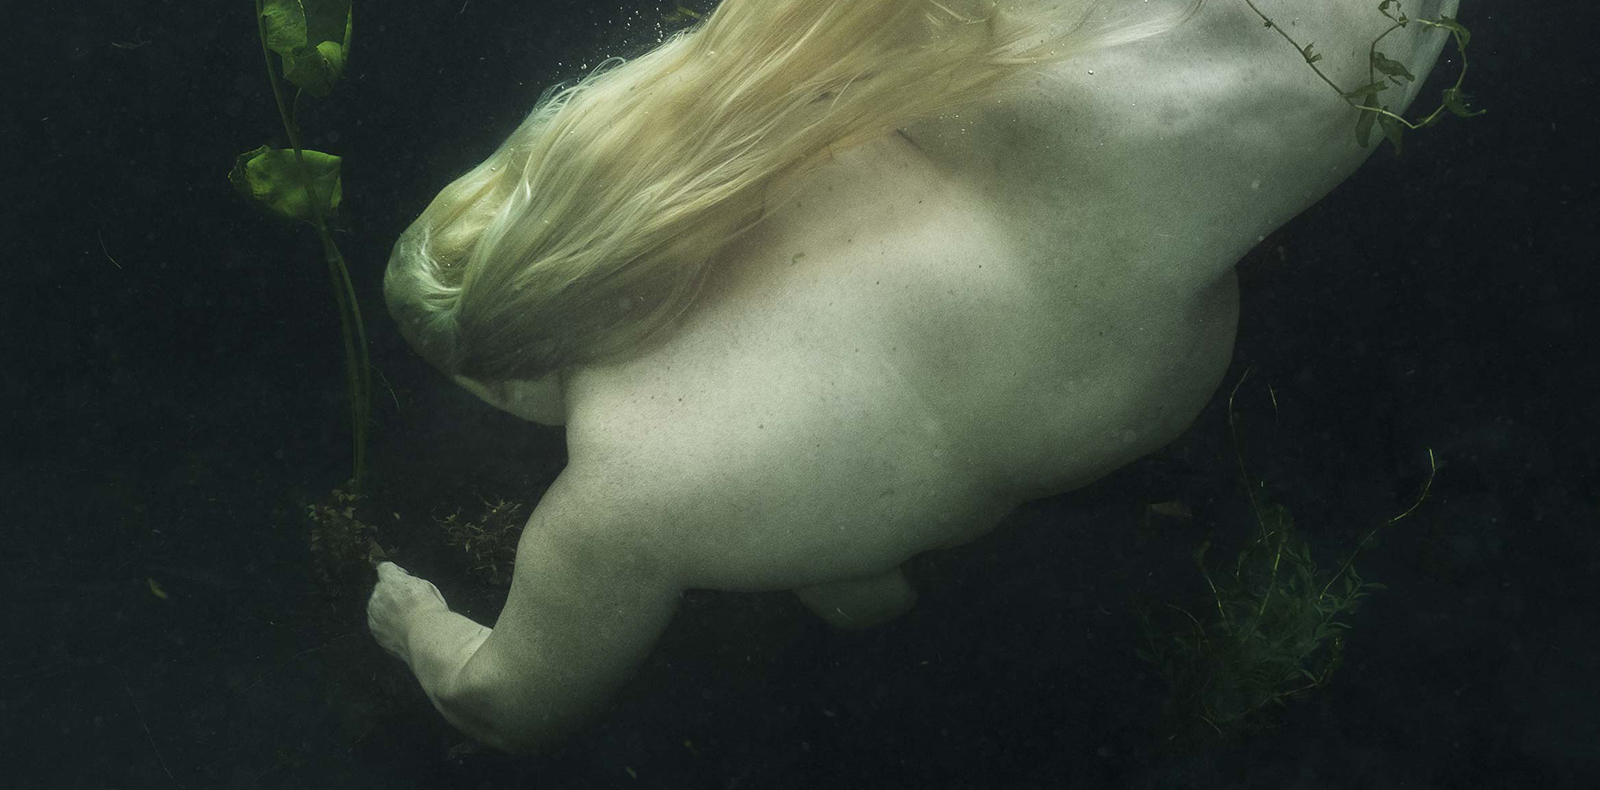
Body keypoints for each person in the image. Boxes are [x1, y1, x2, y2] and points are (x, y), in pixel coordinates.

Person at [370, 0, 1461, 753]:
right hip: (1222, 75)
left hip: (1296, 111)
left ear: (507, 381)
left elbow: (504, 702)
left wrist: (414, 620)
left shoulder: (624, 505)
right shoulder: (773, 150)